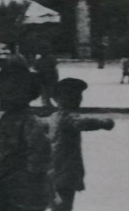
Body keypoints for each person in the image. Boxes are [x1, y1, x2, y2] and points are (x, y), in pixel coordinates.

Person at [0, 59, 52, 211]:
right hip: (0, 192)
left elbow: (38, 160)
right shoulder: (3, 121)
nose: (4, 99)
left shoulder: (31, 123)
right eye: (1, 93)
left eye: (10, 93)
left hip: (22, 195)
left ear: (26, 93)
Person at [47, 78, 115, 211]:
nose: (79, 99)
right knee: (64, 206)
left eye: (79, 96)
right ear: (61, 98)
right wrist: (105, 122)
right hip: (65, 174)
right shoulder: (68, 118)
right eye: (75, 96)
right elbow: (83, 122)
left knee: (57, 205)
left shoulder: (53, 117)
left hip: (52, 172)